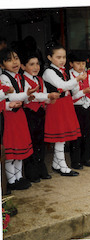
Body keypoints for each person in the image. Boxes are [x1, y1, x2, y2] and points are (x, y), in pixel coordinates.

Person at [42, 41, 85, 176]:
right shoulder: (49, 72)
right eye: (58, 57)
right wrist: (77, 79)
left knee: (64, 137)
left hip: (65, 104)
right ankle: (63, 167)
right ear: (49, 58)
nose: (62, 60)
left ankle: (56, 163)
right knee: (60, 138)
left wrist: (76, 82)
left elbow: (70, 87)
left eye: (64, 57)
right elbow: (62, 86)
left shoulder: (63, 71)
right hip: (57, 106)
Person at [0, 47, 38, 190]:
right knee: (11, 149)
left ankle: (19, 177)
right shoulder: (4, 78)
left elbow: (24, 96)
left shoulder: (20, 77)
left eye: (16, 58)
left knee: (20, 148)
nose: (14, 62)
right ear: (2, 65)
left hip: (19, 116)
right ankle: (11, 180)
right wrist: (26, 95)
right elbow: (11, 96)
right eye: (9, 60)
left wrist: (29, 95)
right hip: (9, 117)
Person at [21, 51, 59, 182]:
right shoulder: (22, 80)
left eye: (37, 64)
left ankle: (41, 168)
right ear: (23, 66)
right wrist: (48, 96)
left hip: (40, 113)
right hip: (29, 114)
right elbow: (32, 97)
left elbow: (43, 95)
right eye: (31, 64)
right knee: (31, 142)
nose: (36, 67)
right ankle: (31, 172)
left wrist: (49, 100)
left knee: (40, 142)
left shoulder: (39, 79)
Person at [68, 51, 90, 169]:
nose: (81, 66)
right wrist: (83, 92)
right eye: (78, 63)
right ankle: (75, 161)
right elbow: (72, 96)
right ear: (71, 64)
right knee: (76, 135)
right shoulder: (69, 76)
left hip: (87, 106)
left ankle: (85, 158)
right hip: (76, 107)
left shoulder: (88, 74)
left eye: (83, 63)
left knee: (87, 133)